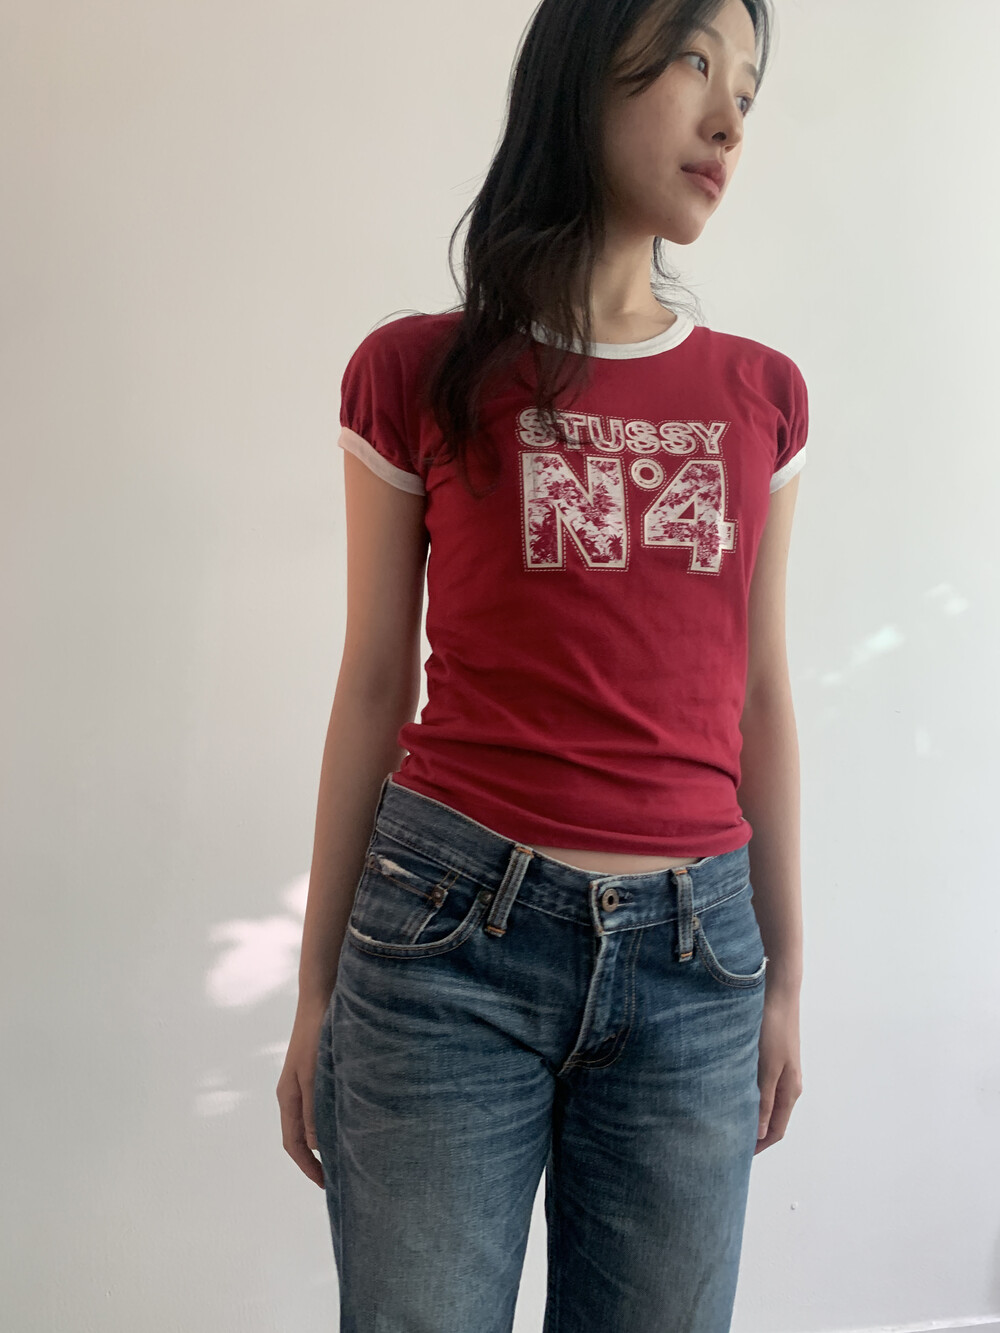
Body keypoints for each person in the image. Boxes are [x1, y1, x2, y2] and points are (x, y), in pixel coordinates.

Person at [277, 0, 806, 1327]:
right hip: (447, 944)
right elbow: (374, 682)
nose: (730, 119)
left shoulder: (760, 395)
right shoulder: (418, 371)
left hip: (698, 963)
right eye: (695, 63)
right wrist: (316, 987)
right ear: (584, 71)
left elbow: (760, 692)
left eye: (747, 89)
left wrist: (787, 979)